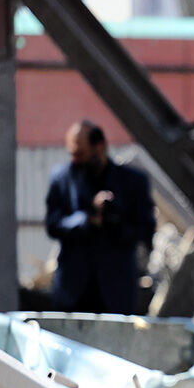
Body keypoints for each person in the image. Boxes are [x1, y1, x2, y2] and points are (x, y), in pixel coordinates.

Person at [45, 121, 155, 314]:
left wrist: (116, 224)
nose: (75, 160)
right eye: (72, 154)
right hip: (73, 292)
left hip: (116, 293)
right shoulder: (62, 178)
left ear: (100, 146)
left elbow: (146, 229)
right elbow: (53, 225)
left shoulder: (133, 182)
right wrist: (87, 219)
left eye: (81, 154)